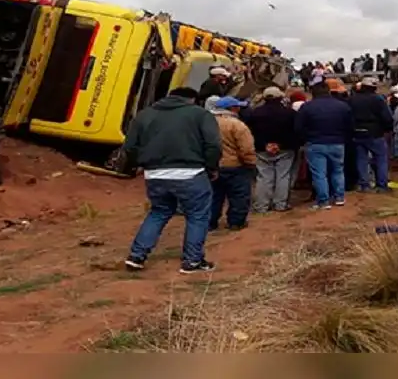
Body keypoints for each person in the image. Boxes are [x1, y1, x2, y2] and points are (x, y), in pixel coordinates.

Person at [123, 87, 221, 274]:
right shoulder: (200, 114)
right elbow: (213, 144)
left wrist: (143, 163)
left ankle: (136, 256)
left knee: (158, 212)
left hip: (155, 174)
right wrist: (211, 167)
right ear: (191, 99)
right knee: (197, 216)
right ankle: (192, 261)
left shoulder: (144, 115)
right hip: (191, 173)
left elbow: (129, 146)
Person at [296, 80, 353, 209]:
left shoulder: (307, 107)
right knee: (338, 171)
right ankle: (339, 197)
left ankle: (323, 201)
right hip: (337, 143)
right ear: (329, 91)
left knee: (319, 174)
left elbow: (298, 127)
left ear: (313, 93)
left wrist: (306, 138)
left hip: (315, 143)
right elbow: (350, 126)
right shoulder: (342, 106)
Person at [245, 87, 297, 213]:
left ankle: (261, 206)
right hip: (285, 149)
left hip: (262, 150)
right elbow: (295, 132)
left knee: (263, 177)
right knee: (283, 176)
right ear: (280, 97)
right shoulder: (290, 113)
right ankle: (280, 204)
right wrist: (281, 144)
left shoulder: (255, 113)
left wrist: (264, 145)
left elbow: (250, 132)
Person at [209, 96, 257, 230]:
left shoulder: (206, 123)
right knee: (239, 196)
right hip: (235, 166)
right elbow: (246, 148)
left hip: (212, 166)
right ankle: (236, 222)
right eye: (237, 106)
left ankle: (209, 222)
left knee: (213, 196)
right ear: (232, 108)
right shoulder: (237, 125)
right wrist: (250, 163)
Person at [348, 77, 394, 192]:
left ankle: (364, 185)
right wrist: (387, 128)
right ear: (374, 87)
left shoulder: (352, 99)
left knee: (361, 159)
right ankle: (381, 185)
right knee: (381, 158)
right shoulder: (378, 99)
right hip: (375, 133)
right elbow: (387, 117)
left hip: (357, 132)